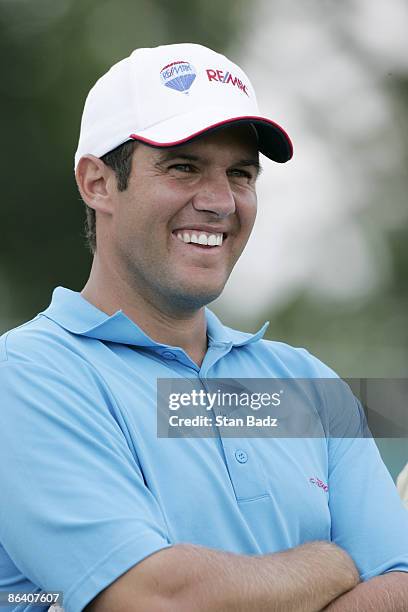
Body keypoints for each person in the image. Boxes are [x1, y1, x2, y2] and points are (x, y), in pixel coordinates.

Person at [0, 43, 407, 612]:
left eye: (240, 174)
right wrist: (332, 562)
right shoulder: (28, 377)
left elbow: (397, 587)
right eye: (184, 167)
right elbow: (155, 599)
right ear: (96, 182)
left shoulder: (305, 386)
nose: (220, 202)